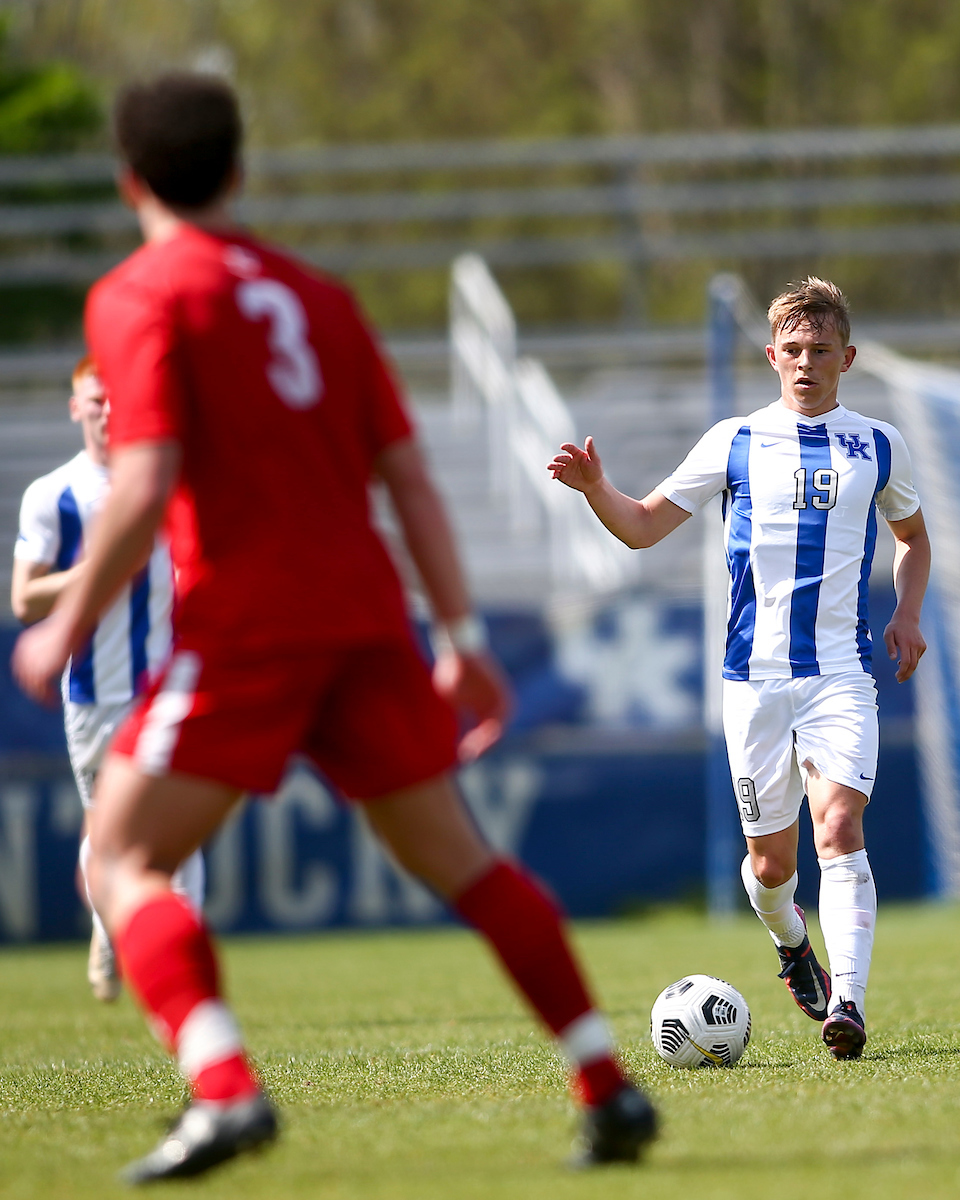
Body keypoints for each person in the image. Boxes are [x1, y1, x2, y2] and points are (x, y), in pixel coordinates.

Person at [12, 73, 656, 1182]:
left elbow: (144, 477)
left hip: (248, 626)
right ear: (240, 171)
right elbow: (405, 477)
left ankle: (224, 1092)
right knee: (461, 860)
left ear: (128, 181)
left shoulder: (136, 295)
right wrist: (457, 634)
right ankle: (606, 1082)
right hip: (365, 620)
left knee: (117, 858)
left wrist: (61, 622)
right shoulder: (320, 296)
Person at [549, 277, 929, 1062]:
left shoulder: (879, 444)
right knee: (769, 866)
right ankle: (793, 944)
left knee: (840, 827)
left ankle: (848, 1005)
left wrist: (906, 614)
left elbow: (914, 537)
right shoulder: (735, 441)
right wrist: (596, 490)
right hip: (753, 684)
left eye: (821, 350)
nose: (806, 362)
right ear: (771, 356)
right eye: (792, 350)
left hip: (839, 677)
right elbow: (644, 528)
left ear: (847, 358)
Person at [11, 355, 204, 1002]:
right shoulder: (53, 495)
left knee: (179, 828)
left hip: (166, 686)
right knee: (107, 834)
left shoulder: (163, 481)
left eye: (116, 398)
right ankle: (104, 926)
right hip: (92, 695)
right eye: (95, 399)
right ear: (75, 407)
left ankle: (187, 963)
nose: (107, 410)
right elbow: (24, 601)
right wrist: (96, 572)